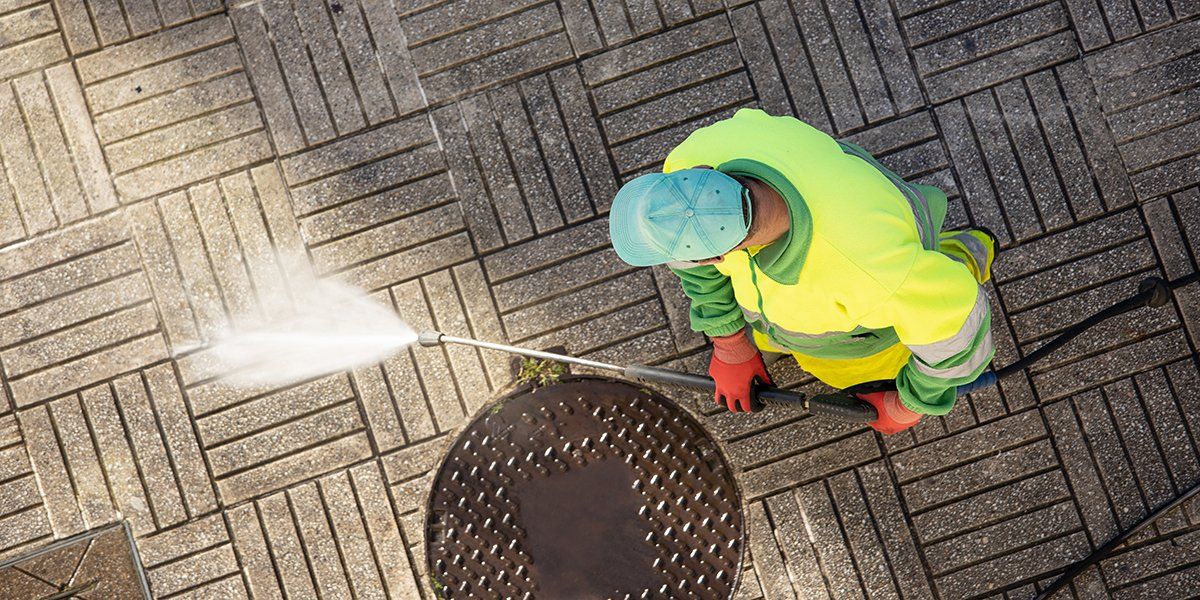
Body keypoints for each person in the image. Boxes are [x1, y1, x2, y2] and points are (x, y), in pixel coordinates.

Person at [608, 109, 996, 435]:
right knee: (909, 283)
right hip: (863, 212)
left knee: (930, 299)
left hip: (872, 315)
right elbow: (692, 251)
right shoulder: (695, 160)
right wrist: (731, 344)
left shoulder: (868, 275)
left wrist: (911, 404)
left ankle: (964, 255)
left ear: (720, 256)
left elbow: (957, 332)